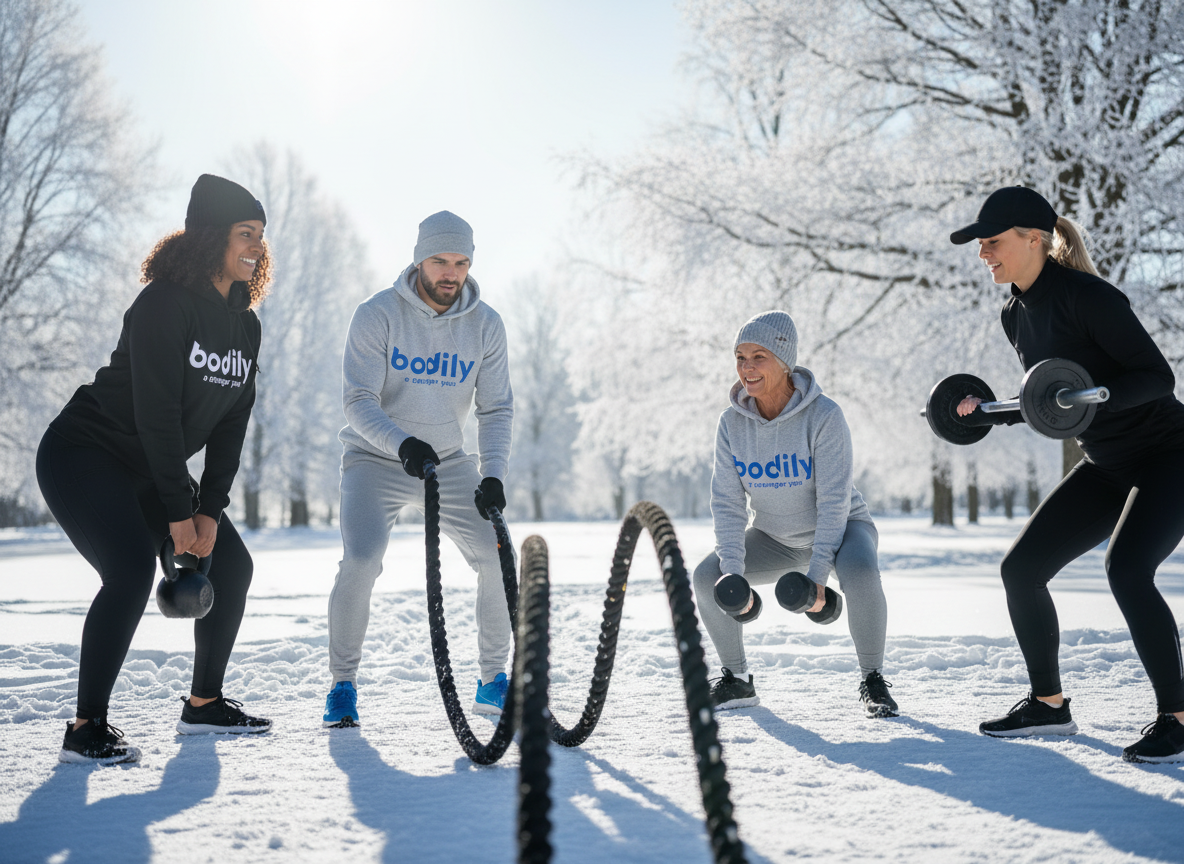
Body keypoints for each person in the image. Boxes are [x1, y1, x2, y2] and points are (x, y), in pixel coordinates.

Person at [37, 174, 274, 766]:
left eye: (262, 236)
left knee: (234, 566)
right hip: (86, 452)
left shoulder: (246, 327)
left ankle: (203, 704)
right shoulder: (162, 304)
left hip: (151, 463)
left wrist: (208, 512)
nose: (256, 247)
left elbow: (230, 425)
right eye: (245, 233)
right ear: (209, 236)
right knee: (129, 569)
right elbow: (158, 414)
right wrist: (176, 514)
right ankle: (86, 727)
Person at [951, 185, 1184, 762]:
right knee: (1021, 568)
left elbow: (1157, 378)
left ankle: (1177, 718)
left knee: (1127, 569)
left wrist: (1093, 398)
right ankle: (1049, 705)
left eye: (993, 242)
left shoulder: (1090, 297)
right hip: (1105, 462)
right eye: (980, 244)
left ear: (1035, 239)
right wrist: (991, 412)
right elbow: (1050, 400)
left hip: (1168, 453)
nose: (984, 253)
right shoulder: (1014, 313)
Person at [323, 211, 513, 727]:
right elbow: (358, 400)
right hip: (375, 458)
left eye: (460, 262)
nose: (450, 273)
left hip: (450, 463)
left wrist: (492, 473)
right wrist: (401, 442)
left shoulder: (486, 325)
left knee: (497, 552)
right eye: (439, 261)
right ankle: (342, 685)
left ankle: (494, 679)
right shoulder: (377, 314)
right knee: (361, 560)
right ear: (419, 259)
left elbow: (495, 409)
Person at [693, 311, 898, 718]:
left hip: (842, 530)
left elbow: (834, 502)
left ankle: (873, 680)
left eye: (759, 357)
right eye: (740, 357)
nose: (746, 368)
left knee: (859, 573)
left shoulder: (824, 416)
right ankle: (735, 680)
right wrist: (732, 573)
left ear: (784, 361)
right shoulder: (731, 424)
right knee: (706, 577)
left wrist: (818, 577)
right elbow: (728, 503)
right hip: (774, 538)